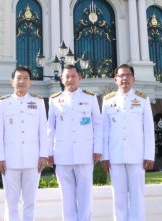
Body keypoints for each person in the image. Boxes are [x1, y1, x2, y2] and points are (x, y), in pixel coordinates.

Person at [46, 64, 102, 221]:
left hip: (84, 154)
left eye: (73, 76)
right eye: (67, 76)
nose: (70, 79)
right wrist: (49, 152)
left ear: (79, 78)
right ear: (61, 79)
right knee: (67, 199)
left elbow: (98, 125)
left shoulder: (90, 98)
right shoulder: (55, 100)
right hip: (62, 155)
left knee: (85, 198)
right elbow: (50, 128)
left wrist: (97, 148)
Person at [100, 64, 155, 221]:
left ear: (133, 79)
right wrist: (104, 156)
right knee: (118, 198)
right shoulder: (108, 101)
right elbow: (104, 131)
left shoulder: (142, 100)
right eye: (121, 75)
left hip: (137, 156)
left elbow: (148, 130)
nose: (125, 78)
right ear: (115, 79)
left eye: (128, 75)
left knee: (137, 197)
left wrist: (149, 155)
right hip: (115, 156)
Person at [0, 66, 49, 221]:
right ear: (12, 82)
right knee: (11, 203)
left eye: (25, 78)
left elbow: (43, 130)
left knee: (30, 203)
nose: (22, 81)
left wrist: (43, 155)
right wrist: (0, 157)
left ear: (30, 82)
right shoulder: (3, 103)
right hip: (10, 161)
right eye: (18, 78)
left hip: (33, 160)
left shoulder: (38, 102)